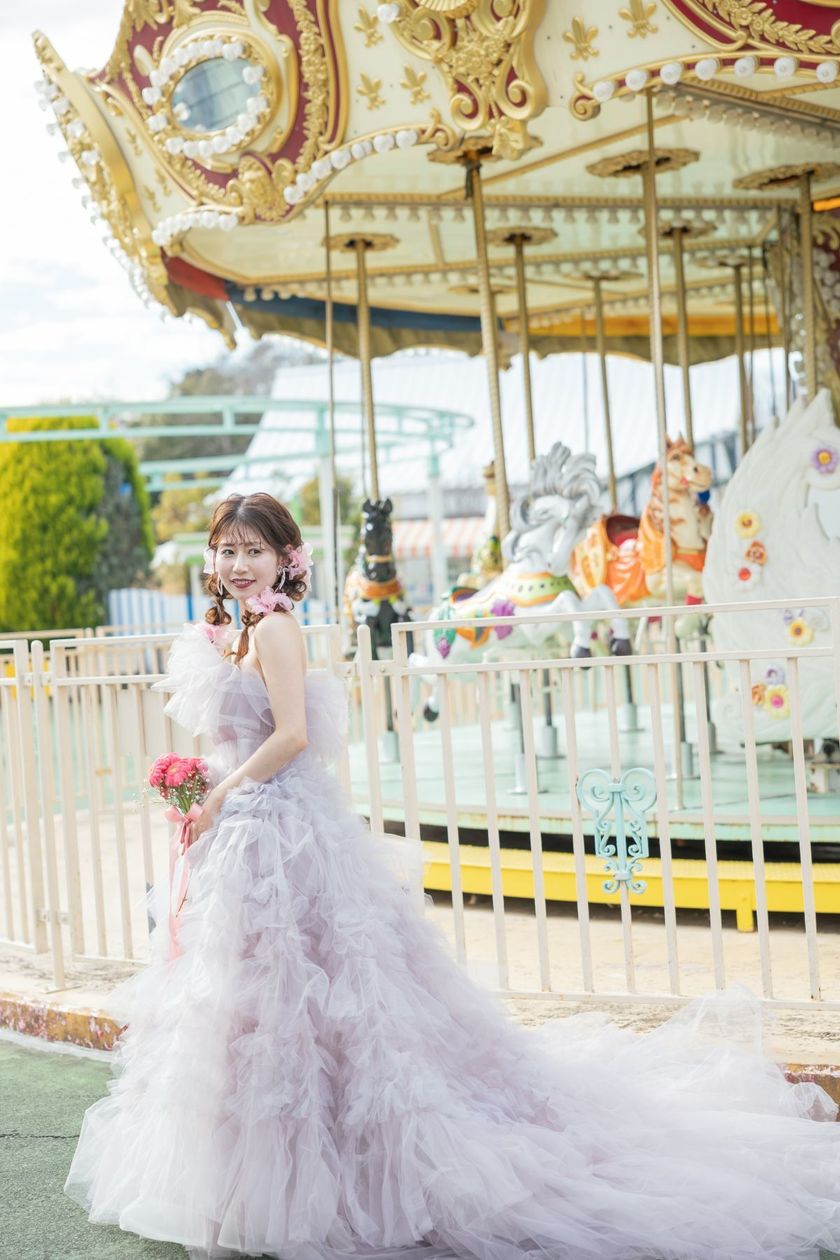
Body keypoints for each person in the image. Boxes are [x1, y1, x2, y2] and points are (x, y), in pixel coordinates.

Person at [64, 491, 840, 1260]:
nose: (238, 564)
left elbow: (294, 735)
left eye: (254, 550)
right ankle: (251, 1172)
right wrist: (199, 783)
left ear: (284, 559)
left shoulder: (274, 630)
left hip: (284, 829)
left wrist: (224, 793)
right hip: (243, 830)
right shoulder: (229, 633)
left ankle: (352, 1168)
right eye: (227, 550)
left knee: (326, 992)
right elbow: (242, 735)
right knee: (253, 1005)